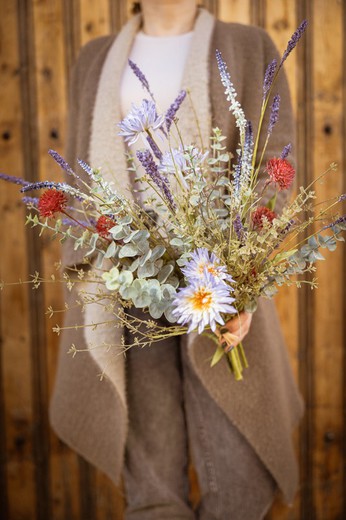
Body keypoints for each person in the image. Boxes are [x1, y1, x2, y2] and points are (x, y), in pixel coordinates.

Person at [50, 2, 304, 518]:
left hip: (216, 282)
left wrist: (242, 273)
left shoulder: (250, 46)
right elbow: (77, 177)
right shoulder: (94, 58)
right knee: (151, 491)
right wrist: (86, 271)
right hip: (126, 288)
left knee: (241, 478)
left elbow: (276, 160)